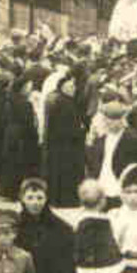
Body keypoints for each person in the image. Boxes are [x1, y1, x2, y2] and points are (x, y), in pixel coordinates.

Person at [16, 176, 79, 273]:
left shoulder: (61, 227)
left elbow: (67, 263)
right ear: (22, 199)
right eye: (30, 198)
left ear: (46, 199)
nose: (35, 203)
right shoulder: (16, 226)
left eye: (39, 198)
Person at [86, 95, 137, 206]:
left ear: (121, 120)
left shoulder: (134, 140)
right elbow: (93, 163)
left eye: (111, 121)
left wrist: (134, 190)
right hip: (102, 189)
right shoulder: (101, 139)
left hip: (121, 189)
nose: (107, 123)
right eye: (105, 120)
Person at [41, 74, 87, 209]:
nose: (74, 89)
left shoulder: (57, 100)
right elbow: (69, 127)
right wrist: (81, 131)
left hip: (58, 145)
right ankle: (67, 201)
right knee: (67, 174)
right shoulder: (66, 104)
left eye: (74, 86)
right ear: (63, 87)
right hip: (67, 146)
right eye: (71, 86)